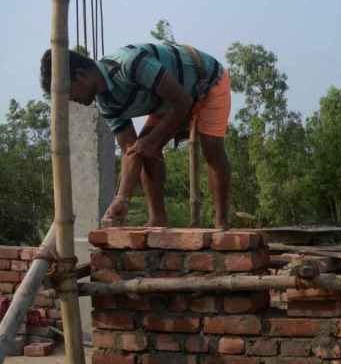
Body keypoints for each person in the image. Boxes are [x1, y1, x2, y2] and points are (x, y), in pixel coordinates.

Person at [40, 44, 232, 228]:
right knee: (145, 150)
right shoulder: (105, 103)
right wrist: (122, 199)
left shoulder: (131, 64)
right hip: (168, 102)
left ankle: (220, 223)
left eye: (70, 94)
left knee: (212, 148)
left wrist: (151, 142)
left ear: (80, 75)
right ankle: (158, 220)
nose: (74, 101)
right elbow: (130, 150)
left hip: (206, 80)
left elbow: (183, 101)